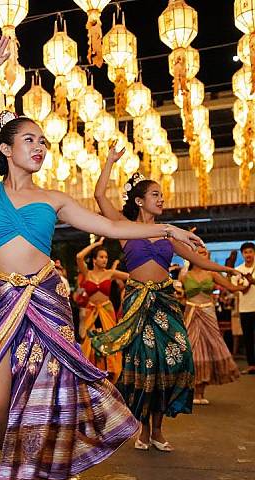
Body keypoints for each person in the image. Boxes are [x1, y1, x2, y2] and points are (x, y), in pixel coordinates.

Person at [0, 36, 203, 480]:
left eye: (44, 142)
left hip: (46, 301)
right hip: (3, 301)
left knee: (40, 395)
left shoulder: (54, 199)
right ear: (5, 148)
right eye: (30, 140)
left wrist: (167, 227)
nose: (40, 147)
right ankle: (20, 466)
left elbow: (109, 224)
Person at [91, 153, 241, 453]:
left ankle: (158, 430)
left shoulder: (168, 235)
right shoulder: (122, 227)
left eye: (161, 194)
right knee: (145, 367)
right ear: (139, 201)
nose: (161, 199)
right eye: (155, 194)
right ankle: (145, 431)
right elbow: (98, 194)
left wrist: (229, 270)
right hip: (137, 305)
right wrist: (109, 161)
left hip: (164, 303)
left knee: (173, 361)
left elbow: (199, 260)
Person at [179, 245, 243, 404]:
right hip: (191, 313)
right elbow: (179, 295)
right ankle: (192, 392)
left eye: (205, 253)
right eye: (200, 253)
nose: (203, 255)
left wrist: (245, 283)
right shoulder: (185, 275)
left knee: (209, 350)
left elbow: (232, 288)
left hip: (208, 313)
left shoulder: (212, 273)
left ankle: (201, 392)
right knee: (192, 352)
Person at [75, 237, 129, 383]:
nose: (105, 260)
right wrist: (96, 244)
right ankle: (92, 372)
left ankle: (110, 373)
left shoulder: (110, 273)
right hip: (91, 312)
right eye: (101, 257)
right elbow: (79, 256)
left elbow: (131, 277)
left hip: (106, 310)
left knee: (109, 339)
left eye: (106, 257)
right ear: (94, 260)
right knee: (90, 342)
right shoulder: (88, 274)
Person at [234, 242, 255, 374]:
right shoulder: (238, 270)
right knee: (247, 338)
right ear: (242, 254)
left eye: (251, 252)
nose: (248, 254)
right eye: (246, 252)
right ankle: (252, 364)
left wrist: (252, 281)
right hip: (244, 308)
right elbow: (239, 290)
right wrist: (248, 283)